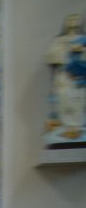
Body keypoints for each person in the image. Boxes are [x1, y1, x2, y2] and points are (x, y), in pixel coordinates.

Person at [45, 13, 86, 144]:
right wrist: (67, 51)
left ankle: (77, 126)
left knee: (78, 100)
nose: (73, 20)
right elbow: (50, 57)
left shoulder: (84, 39)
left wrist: (81, 51)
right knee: (64, 99)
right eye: (70, 18)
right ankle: (67, 126)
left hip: (79, 77)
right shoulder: (59, 40)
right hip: (64, 76)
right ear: (65, 23)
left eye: (76, 18)